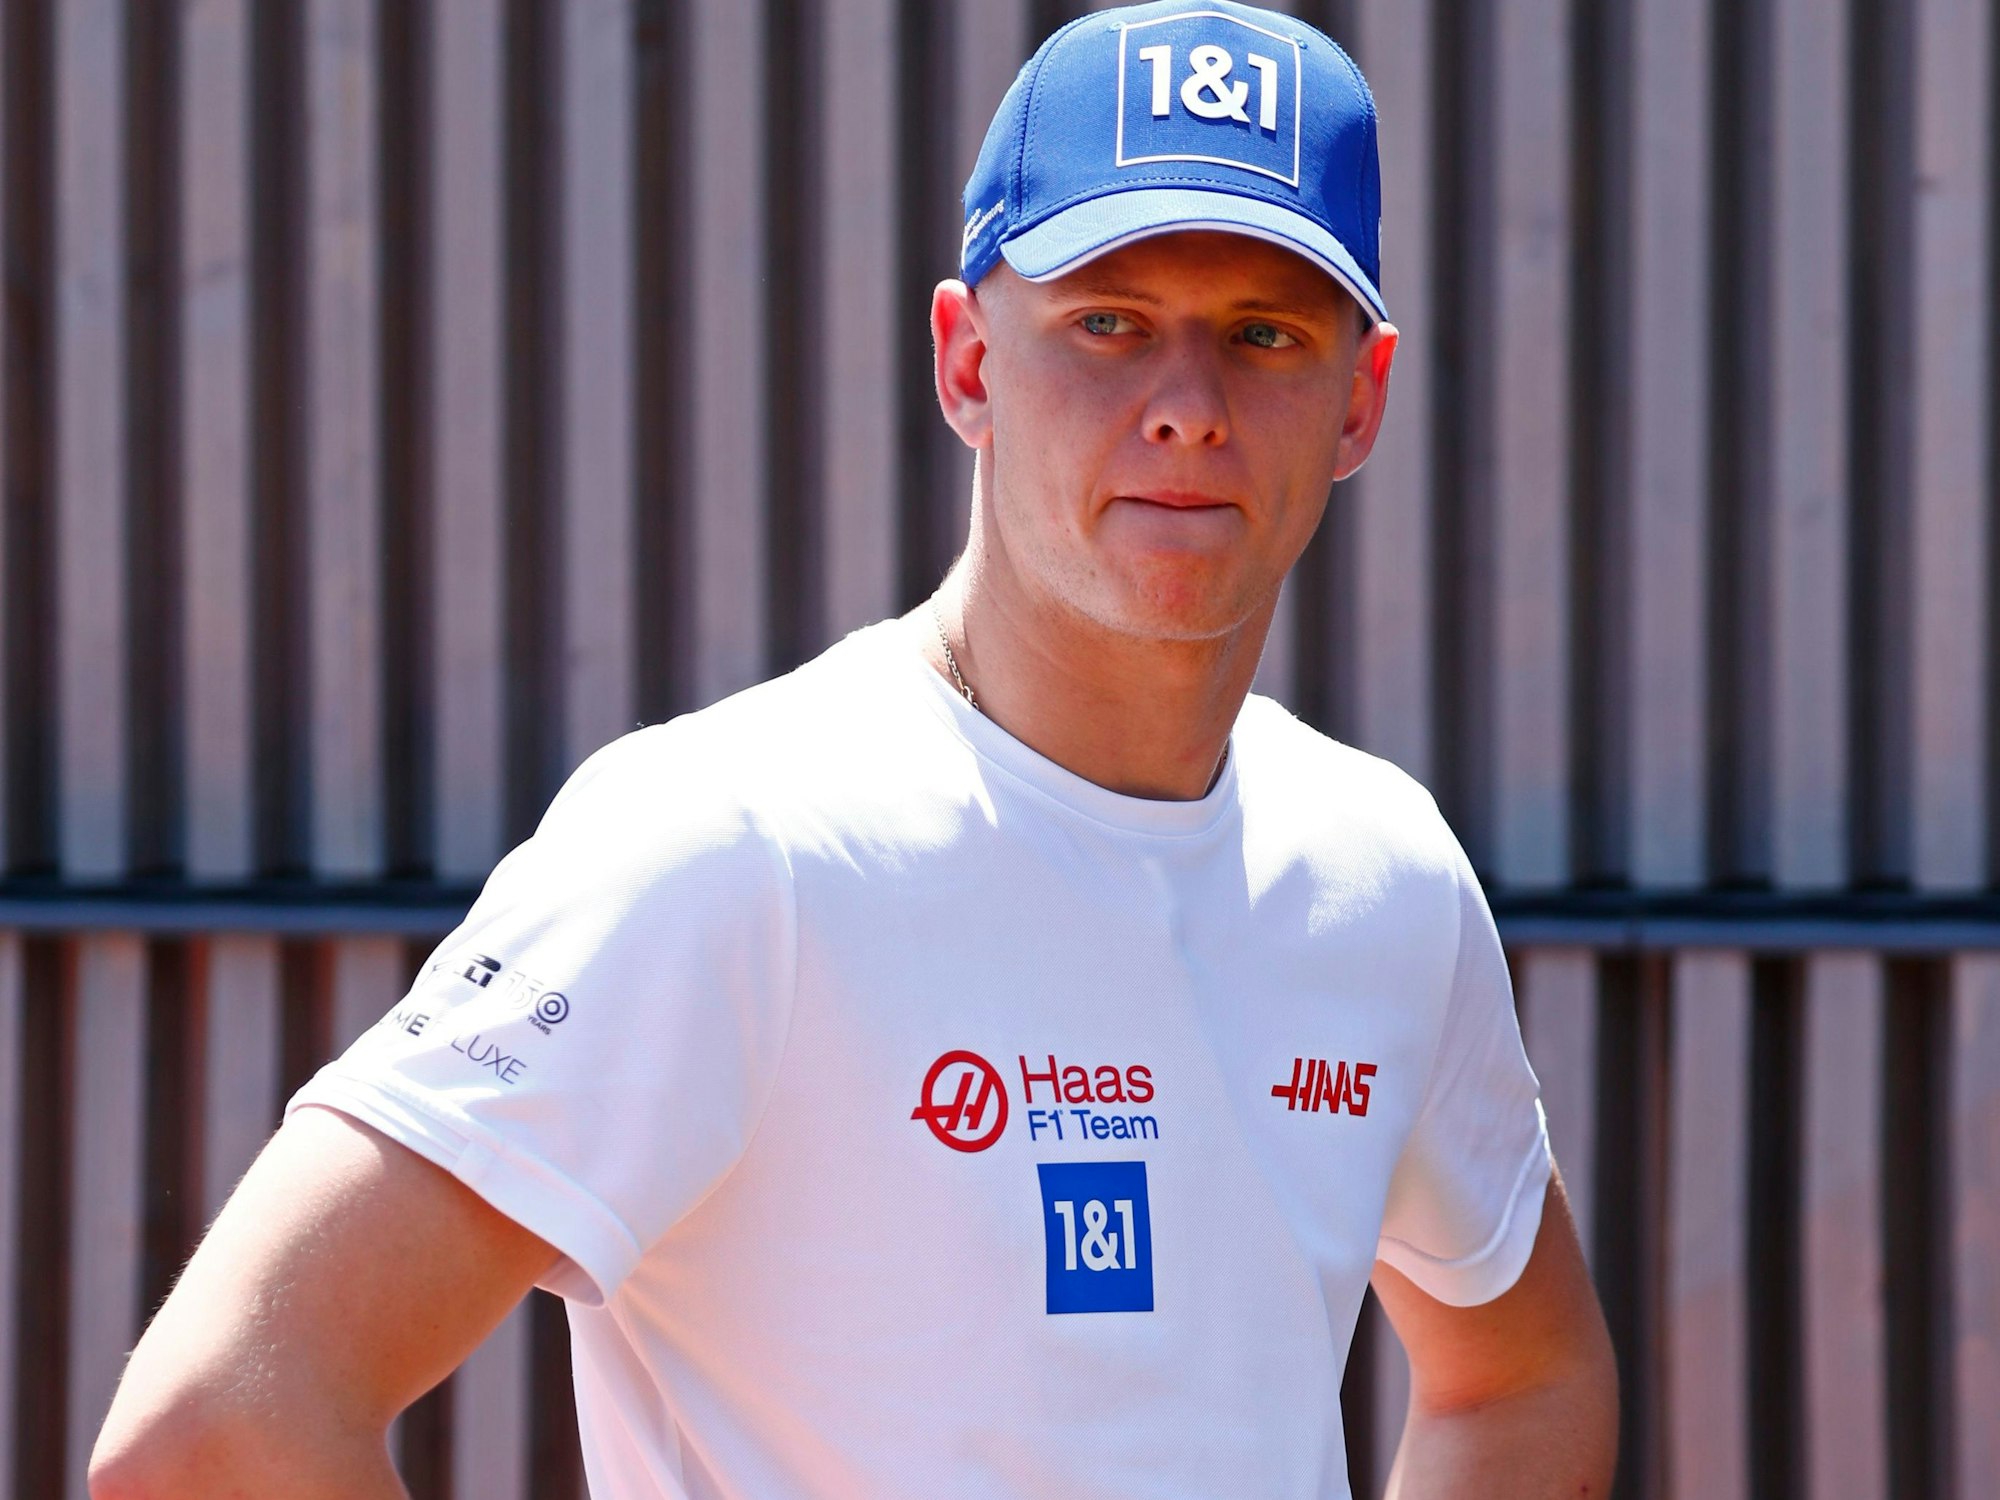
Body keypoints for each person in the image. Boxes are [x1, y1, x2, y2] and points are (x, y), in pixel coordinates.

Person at [91, 3, 1616, 1496]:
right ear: (967, 365)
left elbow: (1525, 1378)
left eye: (1263, 335)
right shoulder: (736, 843)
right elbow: (222, 1425)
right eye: (1107, 322)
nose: (1186, 408)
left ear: (1359, 399)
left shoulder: (1383, 877)